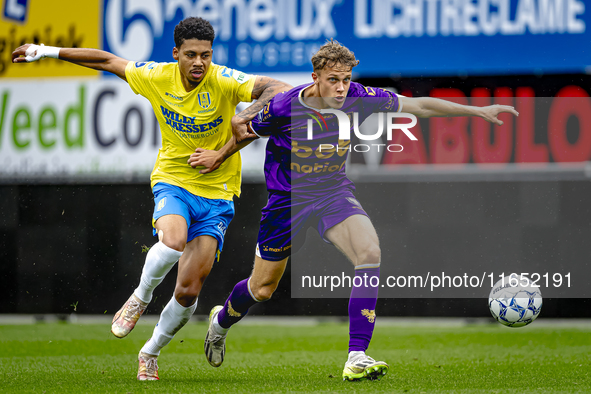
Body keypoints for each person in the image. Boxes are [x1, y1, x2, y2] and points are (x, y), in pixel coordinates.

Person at [191, 39, 519, 381]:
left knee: (369, 251)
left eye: (346, 79)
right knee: (261, 289)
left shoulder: (360, 96)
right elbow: (248, 132)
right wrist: (218, 155)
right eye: (333, 79)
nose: (341, 87)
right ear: (315, 77)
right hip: (287, 202)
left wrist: (478, 112)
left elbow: (417, 106)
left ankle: (356, 355)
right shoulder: (286, 106)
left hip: (333, 192)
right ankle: (220, 322)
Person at [12, 17, 291, 381]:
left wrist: (240, 129)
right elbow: (106, 61)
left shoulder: (223, 79)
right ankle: (140, 298)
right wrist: (46, 51)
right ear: (176, 53)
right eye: (190, 55)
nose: (198, 63)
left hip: (218, 193)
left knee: (189, 291)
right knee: (172, 241)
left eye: (205, 55)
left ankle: (151, 351)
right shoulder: (156, 76)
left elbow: (280, 89)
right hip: (174, 180)